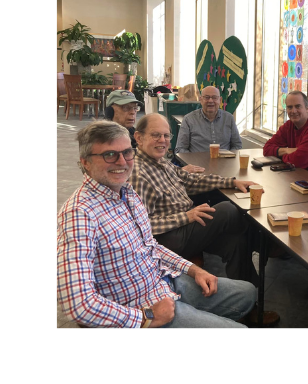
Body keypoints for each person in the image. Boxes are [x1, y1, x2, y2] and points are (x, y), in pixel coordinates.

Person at [57, 121, 256, 328]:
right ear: (86, 163)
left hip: (163, 281)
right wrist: (146, 318)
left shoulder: (127, 193)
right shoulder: (79, 214)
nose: (122, 161)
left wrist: (193, 270)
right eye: (110, 155)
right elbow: (78, 304)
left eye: (127, 153)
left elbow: (150, 245)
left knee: (247, 292)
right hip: (141, 306)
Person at [130, 114, 278, 333]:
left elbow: (191, 180)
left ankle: (248, 307)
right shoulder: (137, 173)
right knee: (228, 209)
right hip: (167, 240)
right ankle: (267, 244)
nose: (162, 140)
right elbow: (139, 228)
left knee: (236, 242)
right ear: (138, 138)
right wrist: (186, 217)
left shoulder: (160, 162)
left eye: (166, 136)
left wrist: (232, 182)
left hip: (187, 230)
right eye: (155, 135)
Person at [262, 91, 308, 176]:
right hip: (296, 176)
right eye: (290, 107)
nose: (293, 111)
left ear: (307, 108)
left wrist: (279, 154)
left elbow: (296, 162)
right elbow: (266, 149)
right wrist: (287, 150)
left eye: (298, 106)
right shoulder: (289, 125)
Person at [175, 85, 242, 169]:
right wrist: (192, 164)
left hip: (224, 167)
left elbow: (237, 145)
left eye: (214, 97)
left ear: (220, 100)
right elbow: (180, 149)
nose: (210, 101)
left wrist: (229, 162)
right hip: (197, 168)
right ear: (200, 100)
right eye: (206, 97)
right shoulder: (189, 119)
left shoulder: (229, 118)